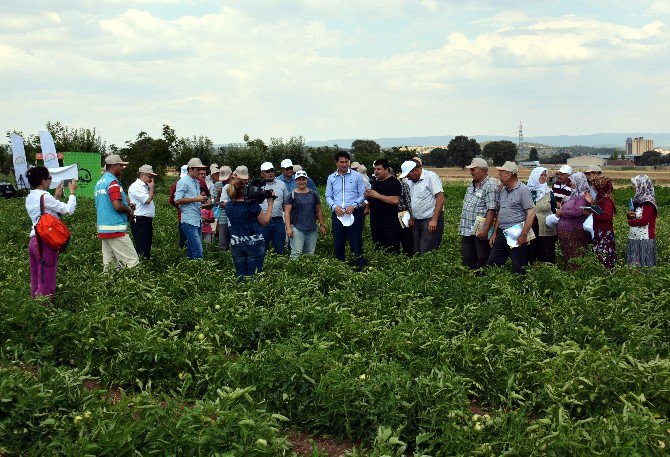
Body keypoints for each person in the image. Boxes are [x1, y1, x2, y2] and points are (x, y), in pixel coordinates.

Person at [25, 167, 77, 301]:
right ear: (43, 181)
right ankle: (44, 311)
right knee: (46, 279)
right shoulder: (45, 197)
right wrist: (72, 193)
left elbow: (43, 212)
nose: (50, 181)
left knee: (37, 277)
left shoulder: (30, 197)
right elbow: (68, 210)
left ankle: (35, 308)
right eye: (49, 178)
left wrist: (56, 197)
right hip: (45, 243)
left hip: (33, 240)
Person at [225, 167, 275, 279]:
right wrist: (270, 203)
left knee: (240, 274)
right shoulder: (252, 206)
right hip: (253, 242)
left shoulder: (228, 206)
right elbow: (265, 221)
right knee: (254, 275)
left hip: (236, 242)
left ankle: (240, 293)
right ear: (244, 190)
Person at [486, 161, 535, 274]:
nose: (499, 176)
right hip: (502, 232)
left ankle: (520, 288)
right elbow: (501, 212)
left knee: (518, 265)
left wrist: (523, 234)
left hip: (516, 232)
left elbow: (531, 213)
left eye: (501, 173)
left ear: (509, 174)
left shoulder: (523, 190)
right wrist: (495, 233)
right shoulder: (504, 190)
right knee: (492, 263)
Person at [94, 154, 140, 269]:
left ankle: (108, 286)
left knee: (110, 266)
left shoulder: (100, 182)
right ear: (114, 166)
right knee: (132, 263)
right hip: (115, 228)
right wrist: (129, 211)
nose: (122, 168)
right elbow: (117, 206)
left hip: (104, 229)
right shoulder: (112, 182)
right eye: (121, 166)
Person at [325, 150, 367, 269]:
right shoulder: (331, 178)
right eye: (341, 162)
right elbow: (328, 196)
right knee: (338, 242)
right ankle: (340, 267)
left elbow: (363, 194)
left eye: (346, 162)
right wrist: (334, 207)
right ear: (336, 163)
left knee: (356, 241)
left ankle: (360, 267)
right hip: (338, 214)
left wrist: (354, 205)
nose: (344, 164)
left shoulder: (357, 176)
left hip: (354, 212)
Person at [459, 158, 499, 269]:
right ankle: (470, 279)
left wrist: (485, 230)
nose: (471, 172)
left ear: (482, 170)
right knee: (467, 256)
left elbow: (491, 210)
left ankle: (481, 279)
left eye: (473, 169)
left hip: (480, 231)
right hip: (467, 228)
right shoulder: (471, 184)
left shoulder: (490, 186)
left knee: (482, 257)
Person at [399, 159, 445, 255]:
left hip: (430, 218)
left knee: (427, 249)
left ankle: (428, 268)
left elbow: (440, 198)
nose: (408, 178)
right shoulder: (409, 181)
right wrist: (411, 217)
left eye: (409, 175)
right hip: (416, 220)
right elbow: (410, 200)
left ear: (415, 170)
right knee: (416, 248)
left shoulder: (431, 177)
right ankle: (419, 268)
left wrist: (434, 220)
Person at [285, 170, 327, 259]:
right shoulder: (291, 195)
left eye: (303, 179)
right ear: (295, 181)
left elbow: (319, 210)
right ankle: (294, 271)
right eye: (299, 180)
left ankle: (308, 272)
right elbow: (287, 213)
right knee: (296, 253)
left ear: (306, 180)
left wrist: (322, 225)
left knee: (310, 253)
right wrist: (288, 228)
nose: (301, 182)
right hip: (297, 228)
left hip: (312, 229)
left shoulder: (313, 194)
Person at [174, 158, 209, 259]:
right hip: (189, 221)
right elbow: (177, 200)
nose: (200, 172)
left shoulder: (196, 182)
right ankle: (198, 270)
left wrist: (202, 201)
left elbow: (194, 200)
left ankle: (190, 270)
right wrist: (195, 199)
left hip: (196, 219)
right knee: (198, 250)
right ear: (190, 169)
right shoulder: (183, 182)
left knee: (191, 249)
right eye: (198, 169)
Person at [365, 159, 402, 254]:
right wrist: (368, 196)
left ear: (386, 170)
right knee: (378, 249)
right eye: (375, 169)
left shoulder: (394, 183)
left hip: (389, 225)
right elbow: (375, 199)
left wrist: (378, 195)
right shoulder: (377, 183)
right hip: (376, 223)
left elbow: (395, 200)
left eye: (379, 169)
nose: (376, 171)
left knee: (391, 250)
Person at [556, 172, 591, 267]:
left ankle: (576, 277)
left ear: (579, 182)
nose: (570, 183)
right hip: (566, 231)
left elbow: (577, 212)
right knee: (569, 259)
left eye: (573, 181)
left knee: (576, 258)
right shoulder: (573, 195)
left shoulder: (583, 196)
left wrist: (562, 213)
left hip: (574, 231)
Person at [526, 166, 557, 263]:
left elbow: (554, 209)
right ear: (535, 176)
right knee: (530, 254)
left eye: (545, 175)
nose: (543, 177)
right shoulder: (526, 192)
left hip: (545, 228)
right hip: (529, 228)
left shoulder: (549, 193)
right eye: (541, 175)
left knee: (546, 255)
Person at [627, 174, 657, 267]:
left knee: (644, 265)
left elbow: (644, 221)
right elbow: (634, 217)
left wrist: (630, 222)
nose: (633, 188)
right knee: (635, 264)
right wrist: (629, 215)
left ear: (642, 186)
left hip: (645, 238)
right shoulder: (637, 201)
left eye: (635, 185)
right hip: (635, 236)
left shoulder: (648, 202)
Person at [128, 164, 157, 259]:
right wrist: (152, 188)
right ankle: (141, 263)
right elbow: (147, 200)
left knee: (147, 242)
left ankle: (146, 259)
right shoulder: (136, 186)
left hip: (145, 219)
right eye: (150, 176)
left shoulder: (144, 186)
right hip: (139, 219)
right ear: (142, 175)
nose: (151, 179)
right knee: (141, 244)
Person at [587, 175, 616, 269]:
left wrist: (594, 212)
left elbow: (607, 217)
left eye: (595, 187)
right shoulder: (601, 198)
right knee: (600, 255)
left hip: (604, 232)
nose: (594, 189)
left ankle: (607, 275)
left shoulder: (606, 200)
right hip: (600, 231)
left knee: (605, 255)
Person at [259, 162, 288, 254]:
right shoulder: (258, 186)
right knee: (262, 249)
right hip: (263, 222)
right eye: (267, 171)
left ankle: (279, 267)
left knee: (280, 249)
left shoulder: (281, 184)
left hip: (278, 221)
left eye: (272, 171)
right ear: (262, 174)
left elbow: (286, 203)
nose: (271, 173)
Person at [169, 165, 188, 248]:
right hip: (184, 216)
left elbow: (171, 200)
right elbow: (172, 200)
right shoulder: (176, 184)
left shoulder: (176, 184)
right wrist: (179, 207)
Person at [215, 165, 233, 250]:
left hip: (234, 218)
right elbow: (215, 203)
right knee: (223, 243)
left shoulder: (235, 185)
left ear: (231, 175)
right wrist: (219, 195)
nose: (225, 180)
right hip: (223, 217)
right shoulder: (218, 184)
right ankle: (223, 261)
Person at [397, 173, 414, 256]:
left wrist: (411, 216)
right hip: (393, 214)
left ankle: (409, 253)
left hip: (403, 213)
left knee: (406, 235)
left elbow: (408, 201)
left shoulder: (403, 185)